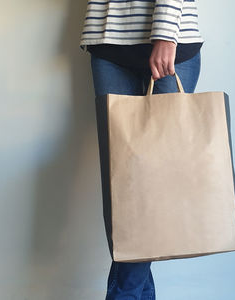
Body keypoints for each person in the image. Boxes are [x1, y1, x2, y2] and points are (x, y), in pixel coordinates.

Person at [79, 0, 204, 299]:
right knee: (124, 188)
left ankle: (123, 295)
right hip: (108, 41)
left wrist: (164, 34)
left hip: (171, 46)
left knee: (153, 186)